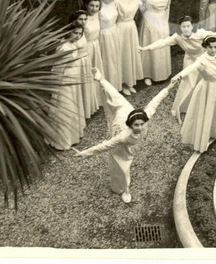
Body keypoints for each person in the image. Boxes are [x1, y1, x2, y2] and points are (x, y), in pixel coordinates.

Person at [74, 69, 181, 203]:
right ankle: (124, 189)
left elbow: (156, 100)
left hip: (126, 108)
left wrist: (169, 87)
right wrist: (85, 153)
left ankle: (100, 78)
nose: (140, 128)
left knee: (115, 95)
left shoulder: (145, 116)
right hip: (118, 122)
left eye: (141, 124)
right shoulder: (123, 136)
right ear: (130, 125)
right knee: (121, 163)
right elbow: (105, 146)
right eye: (136, 125)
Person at [140, 17, 216, 122]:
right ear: (180, 27)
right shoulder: (177, 37)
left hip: (203, 59)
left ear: (192, 26)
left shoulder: (200, 33)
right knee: (187, 83)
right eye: (183, 26)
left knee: (203, 82)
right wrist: (145, 48)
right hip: (190, 60)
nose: (186, 29)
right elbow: (163, 42)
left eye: (188, 26)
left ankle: (201, 105)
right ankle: (182, 108)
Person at [48, 22, 87, 150]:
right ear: (68, 32)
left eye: (80, 33)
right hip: (64, 80)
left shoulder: (73, 44)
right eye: (75, 33)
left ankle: (73, 135)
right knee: (65, 106)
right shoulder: (64, 47)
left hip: (73, 77)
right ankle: (62, 140)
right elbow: (57, 68)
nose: (77, 36)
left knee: (73, 105)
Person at [139, 0, 173, 84]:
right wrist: (149, 17)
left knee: (162, 44)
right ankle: (148, 74)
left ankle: (163, 72)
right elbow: (141, 7)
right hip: (150, 19)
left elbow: (168, 6)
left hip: (162, 19)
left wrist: (165, 20)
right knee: (150, 43)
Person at [115, 0, 144, 96]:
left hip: (131, 28)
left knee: (131, 53)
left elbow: (144, 9)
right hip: (121, 28)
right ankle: (122, 83)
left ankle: (131, 82)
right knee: (123, 55)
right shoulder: (117, 0)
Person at [71, 9, 100, 118]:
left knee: (87, 85)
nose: (83, 21)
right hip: (77, 63)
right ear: (75, 20)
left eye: (85, 19)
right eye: (80, 19)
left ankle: (88, 108)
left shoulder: (82, 32)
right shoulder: (73, 34)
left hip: (86, 61)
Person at [98, 0, 122, 91]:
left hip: (114, 33)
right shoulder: (99, 7)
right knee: (107, 61)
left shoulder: (114, 4)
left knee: (115, 59)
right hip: (104, 36)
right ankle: (106, 88)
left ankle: (116, 85)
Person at [83, 0, 106, 102]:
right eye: (91, 5)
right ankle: (88, 100)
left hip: (96, 46)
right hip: (86, 47)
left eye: (97, 6)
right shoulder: (83, 18)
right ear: (86, 5)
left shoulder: (99, 16)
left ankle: (97, 98)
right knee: (87, 71)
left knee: (97, 71)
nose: (94, 9)